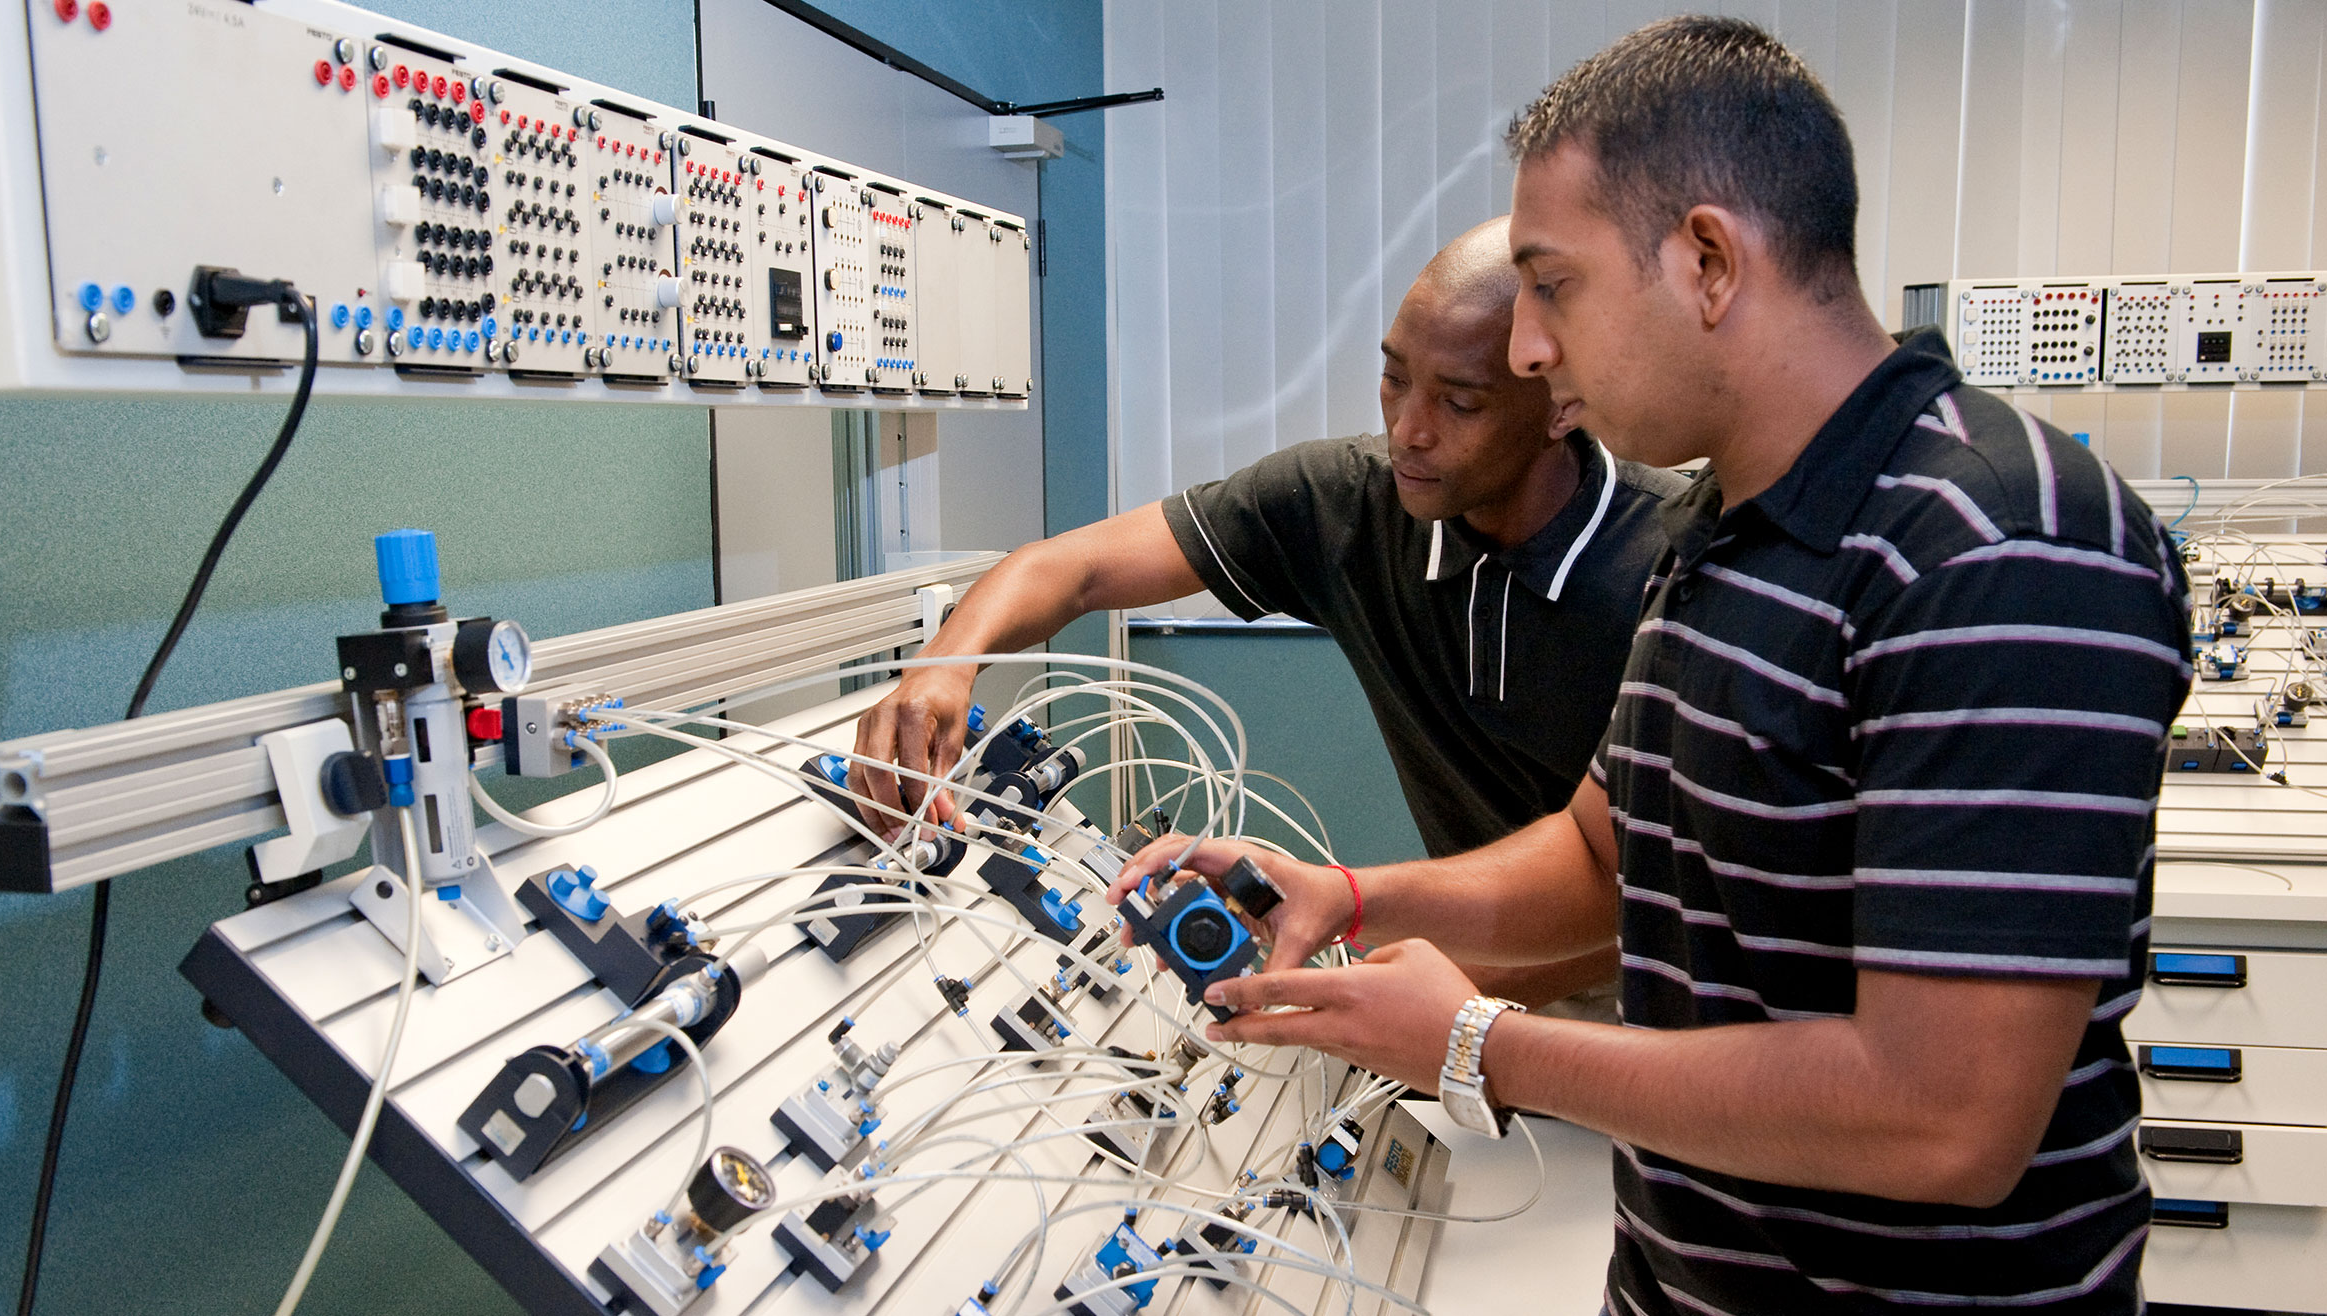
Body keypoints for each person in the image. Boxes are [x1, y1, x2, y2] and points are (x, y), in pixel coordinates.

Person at [1118, 17, 2189, 1315]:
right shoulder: (1720, 526)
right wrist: (1348, 895)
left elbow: (1942, 1120)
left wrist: (1483, 1047)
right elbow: (1608, 860)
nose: (1526, 350)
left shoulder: (1999, 546)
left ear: (1706, 261)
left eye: (1554, 287)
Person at [850, 216, 1687, 1007]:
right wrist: (943, 668)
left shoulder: (1677, 566)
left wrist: (1427, 1000)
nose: (1408, 430)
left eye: (1459, 402)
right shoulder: (1345, 502)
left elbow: (1658, 896)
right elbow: (1073, 569)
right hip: (1484, 975)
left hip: (1668, 1004)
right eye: (1395, 377)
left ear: (1560, 404)